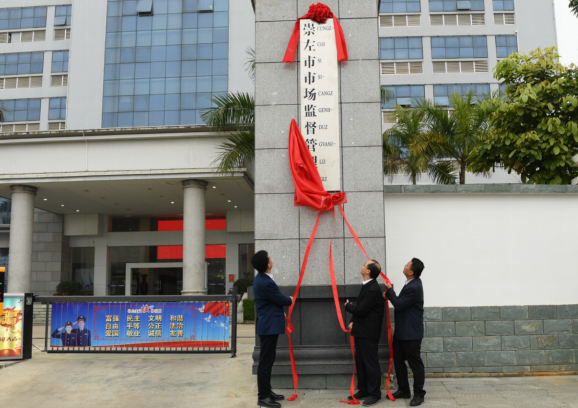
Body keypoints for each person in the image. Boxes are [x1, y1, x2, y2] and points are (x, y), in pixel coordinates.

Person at [252, 250, 294, 408]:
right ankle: (263, 396)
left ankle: (267, 391)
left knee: (267, 361)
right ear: (268, 264)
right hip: (269, 326)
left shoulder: (262, 278)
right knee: (265, 362)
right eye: (269, 257)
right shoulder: (265, 281)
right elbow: (280, 299)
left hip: (268, 324)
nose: (271, 257)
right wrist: (289, 299)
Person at [383, 258, 426, 407]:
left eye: (407, 265)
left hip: (411, 334)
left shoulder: (414, 287)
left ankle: (419, 394)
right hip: (402, 332)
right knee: (399, 362)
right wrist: (390, 293)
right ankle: (404, 389)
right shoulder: (410, 284)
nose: (404, 265)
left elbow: (399, 304)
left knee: (415, 365)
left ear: (411, 271)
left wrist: (389, 291)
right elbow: (401, 301)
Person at [344, 260, 385, 407]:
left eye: (364, 265)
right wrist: (353, 320)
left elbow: (361, 309)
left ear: (368, 271)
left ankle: (375, 393)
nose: (361, 265)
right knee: (361, 362)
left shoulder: (373, 289)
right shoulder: (367, 286)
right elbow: (363, 308)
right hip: (362, 331)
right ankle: (364, 390)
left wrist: (348, 306)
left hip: (369, 333)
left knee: (370, 363)